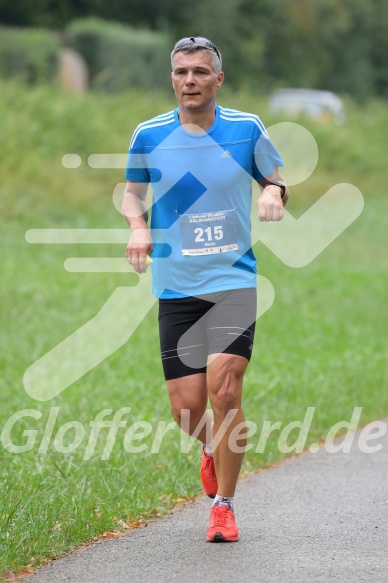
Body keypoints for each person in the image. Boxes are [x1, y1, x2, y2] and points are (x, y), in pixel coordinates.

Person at [123, 36, 289, 542]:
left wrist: (275, 194)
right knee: (187, 407)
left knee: (225, 388)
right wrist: (137, 226)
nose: (189, 81)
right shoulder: (150, 135)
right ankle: (211, 447)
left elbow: (275, 178)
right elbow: (133, 192)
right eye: (181, 73)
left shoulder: (245, 129)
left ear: (219, 78)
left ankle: (224, 506)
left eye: (199, 72)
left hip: (233, 278)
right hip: (176, 285)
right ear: (171, 78)